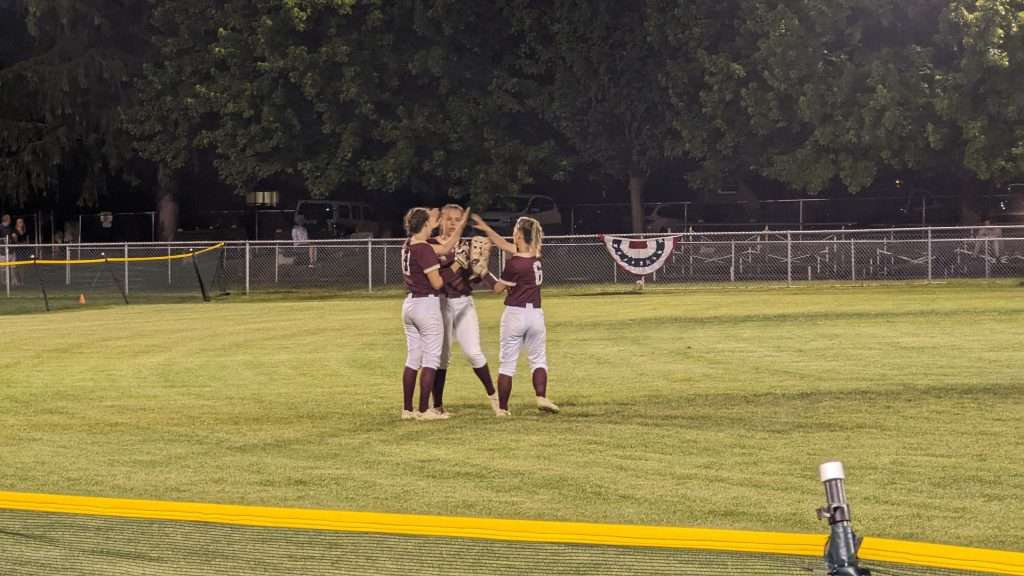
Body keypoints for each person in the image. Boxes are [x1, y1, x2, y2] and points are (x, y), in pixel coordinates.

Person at [472, 214, 560, 417]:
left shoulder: (514, 264)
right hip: (536, 315)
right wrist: (486, 228)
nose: (512, 235)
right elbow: (504, 245)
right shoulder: (536, 255)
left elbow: (497, 288)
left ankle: (502, 408)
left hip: (515, 314)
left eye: (515, 232)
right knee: (538, 359)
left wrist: (483, 271)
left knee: (507, 364)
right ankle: (541, 396)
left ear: (520, 235)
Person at [427, 204, 500, 416]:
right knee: (441, 357)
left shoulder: (468, 246)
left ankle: (496, 399)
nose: (452, 223)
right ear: (440, 220)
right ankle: (437, 405)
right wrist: (458, 263)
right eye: (448, 219)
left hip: (463, 302)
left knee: (473, 352)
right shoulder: (430, 245)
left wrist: (490, 279)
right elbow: (439, 280)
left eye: (458, 219)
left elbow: (479, 276)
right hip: (440, 305)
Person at [400, 206, 469, 421]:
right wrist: (457, 265)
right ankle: (424, 410)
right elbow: (438, 282)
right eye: (431, 222)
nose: (434, 225)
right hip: (426, 306)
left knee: (413, 359)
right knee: (431, 359)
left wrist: (460, 230)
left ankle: (407, 409)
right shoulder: (424, 248)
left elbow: (444, 247)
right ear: (424, 225)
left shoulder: (409, 244)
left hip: (410, 304)